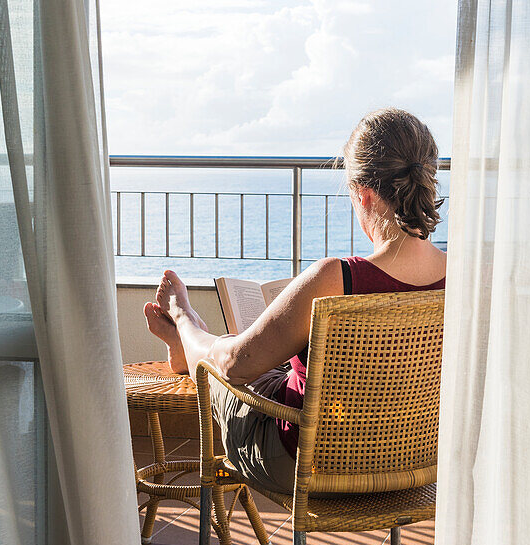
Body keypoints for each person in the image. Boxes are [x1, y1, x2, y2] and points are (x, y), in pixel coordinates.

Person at [143, 107, 447, 495]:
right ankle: (196, 344)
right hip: (416, 461)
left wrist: (183, 316)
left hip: (308, 464)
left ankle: (189, 332)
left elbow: (235, 368)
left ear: (364, 195)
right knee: (275, 372)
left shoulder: (337, 278)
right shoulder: (462, 279)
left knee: (225, 367)